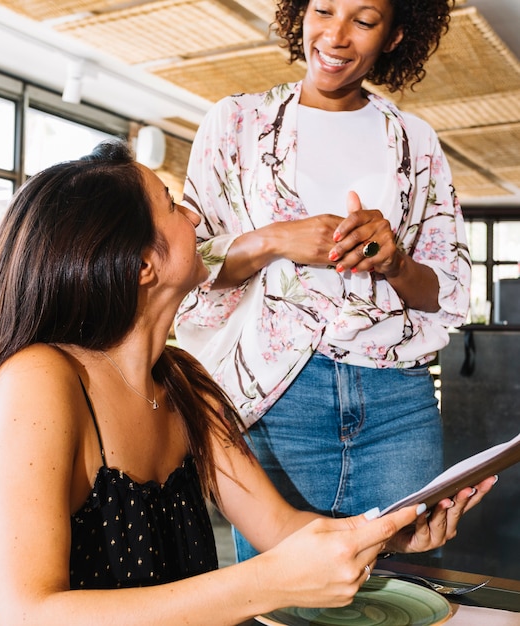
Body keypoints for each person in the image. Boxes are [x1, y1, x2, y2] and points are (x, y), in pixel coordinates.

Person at [0, 140, 492, 626]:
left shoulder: (186, 385)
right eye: (172, 204)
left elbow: (280, 529)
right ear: (142, 263)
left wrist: (389, 535)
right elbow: (29, 615)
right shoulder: (40, 380)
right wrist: (268, 581)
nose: (197, 216)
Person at [174, 0, 471, 562]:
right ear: (299, 15)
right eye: (323, 10)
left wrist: (396, 262)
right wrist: (273, 240)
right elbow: (187, 262)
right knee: (284, 592)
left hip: (397, 400)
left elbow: (446, 292)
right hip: (280, 392)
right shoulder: (236, 122)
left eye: (362, 20)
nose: (335, 36)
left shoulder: (416, 140)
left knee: (399, 589)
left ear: (394, 35)